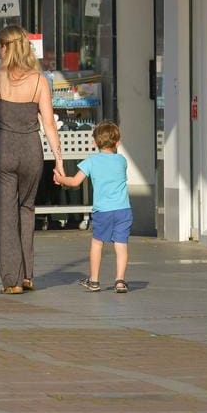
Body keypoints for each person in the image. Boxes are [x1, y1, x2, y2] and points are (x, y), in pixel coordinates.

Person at [0, 25, 65, 294]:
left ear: (5, 47)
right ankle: (28, 274)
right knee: (26, 209)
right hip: (31, 150)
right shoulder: (39, 80)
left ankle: (12, 279)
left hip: (1, 150)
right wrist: (59, 159)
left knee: (4, 214)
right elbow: (49, 125)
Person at [55, 121, 133, 293]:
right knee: (121, 245)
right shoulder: (122, 161)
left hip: (102, 211)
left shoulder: (91, 161)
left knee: (97, 244)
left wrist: (60, 179)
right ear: (118, 142)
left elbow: (75, 182)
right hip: (123, 210)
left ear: (94, 142)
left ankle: (94, 280)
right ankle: (120, 281)